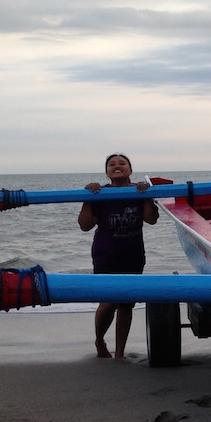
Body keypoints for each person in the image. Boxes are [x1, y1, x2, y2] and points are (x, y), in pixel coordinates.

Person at [78, 153, 159, 359]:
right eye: (112, 164)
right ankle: (99, 340)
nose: (117, 166)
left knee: (126, 304)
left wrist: (146, 194)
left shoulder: (138, 191)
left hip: (132, 255)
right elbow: (84, 225)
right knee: (108, 301)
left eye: (122, 163)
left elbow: (151, 219)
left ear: (130, 170)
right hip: (105, 254)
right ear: (106, 172)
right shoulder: (100, 193)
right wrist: (88, 196)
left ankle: (120, 353)